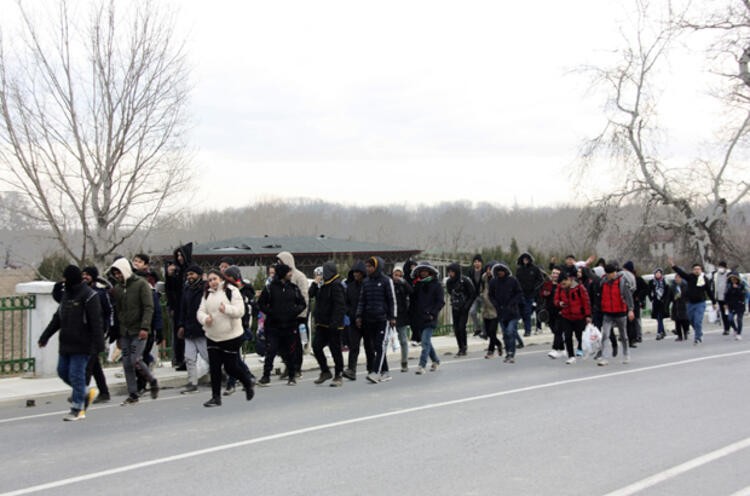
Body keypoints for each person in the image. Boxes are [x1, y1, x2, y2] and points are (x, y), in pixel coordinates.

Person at [38, 265, 105, 421]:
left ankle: (76, 408)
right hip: (66, 343)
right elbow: (57, 318)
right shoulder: (67, 295)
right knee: (62, 372)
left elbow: (96, 323)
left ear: (71, 279)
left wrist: (99, 345)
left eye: (65, 278)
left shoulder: (89, 296)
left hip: (83, 344)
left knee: (76, 375)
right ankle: (85, 393)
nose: (63, 281)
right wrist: (45, 336)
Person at [197, 269, 255, 407]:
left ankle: (247, 383)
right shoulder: (207, 294)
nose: (212, 282)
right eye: (210, 280)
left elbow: (240, 311)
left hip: (231, 336)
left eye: (214, 279)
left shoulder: (231, 291)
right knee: (215, 367)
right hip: (212, 335)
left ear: (221, 278)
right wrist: (205, 319)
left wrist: (227, 309)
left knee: (230, 367)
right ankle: (215, 397)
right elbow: (200, 311)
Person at [109, 258, 159, 405]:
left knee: (135, 359)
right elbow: (117, 312)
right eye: (115, 273)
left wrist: (145, 327)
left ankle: (152, 380)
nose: (118, 276)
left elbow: (148, 307)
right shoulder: (117, 289)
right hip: (125, 332)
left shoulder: (141, 284)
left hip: (139, 331)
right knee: (126, 363)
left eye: (119, 272)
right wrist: (117, 334)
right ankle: (133, 393)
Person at [257, 264, 307, 386]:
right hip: (273, 326)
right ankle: (266, 376)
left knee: (289, 352)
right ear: (283, 273)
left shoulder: (293, 288)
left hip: (290, 326)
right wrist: (271, 313)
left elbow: (302, 303)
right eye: (288, 272)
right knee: (271, 350)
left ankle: (291, 376)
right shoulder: (270, 288)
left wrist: (294, 312)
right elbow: (261, 303)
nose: (290, 274)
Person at [356, 256, 397, 383]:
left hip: (383, 319)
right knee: (376, 347)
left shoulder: (386, 281)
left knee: (380, 345)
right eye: (367, 266)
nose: (368, 269)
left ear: (377, 267)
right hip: (370, 319)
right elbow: (362, 300)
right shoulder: (366, 282)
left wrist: (392, 317)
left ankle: (375, 372)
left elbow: (392, 300)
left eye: (370, 266)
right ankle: (385, 372)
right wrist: (359, 316)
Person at [309, 262, 347, 386]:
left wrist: (335, 323)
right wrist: (315, 282)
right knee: (316, 347)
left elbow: (340, 306)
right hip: (322, 324)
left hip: (333, 325)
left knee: (335, 349)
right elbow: (311, 294)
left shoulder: (336, 285)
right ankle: (325, 371)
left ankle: (338, 374)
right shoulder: (323, 285)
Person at [222, 265, 257, 395]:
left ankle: (232, 384)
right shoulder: (227, 290)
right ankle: (248, 377)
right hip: (229, 327)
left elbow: (248, 310)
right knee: (233, 357)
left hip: (240, 328)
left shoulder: (245, 291)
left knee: (232, 357)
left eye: (229, 277)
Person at [81, 266, 113, 403]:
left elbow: (108, 312)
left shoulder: (100, 293)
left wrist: (105, 329)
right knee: (95, 366)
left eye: (87, 275)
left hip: (97, 333)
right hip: (84, 333)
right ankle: (104, 392)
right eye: (83, 274)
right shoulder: (80, 292)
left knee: (88, 364)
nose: (84, 277)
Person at [276, 251, 310, 379]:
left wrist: (300, 313)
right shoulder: (280, 278)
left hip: (298, 316)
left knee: (296, 344)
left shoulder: (299, 277)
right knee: (283, 344)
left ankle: (297, 368)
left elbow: (304, 296)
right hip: (284, 317)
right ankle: (288, 365)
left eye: (281, 261)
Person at [175, 265, 208, 394]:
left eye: (192, 274)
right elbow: (183, 309)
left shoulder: (205, 289)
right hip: (189, 330)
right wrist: (181, 325)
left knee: (207, 357)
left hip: (202, 330)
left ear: (199, 275)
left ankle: (221, 375)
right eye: (188, 275)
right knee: (189, 357)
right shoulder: (187, 289)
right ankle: (192, 383)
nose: (190, 277)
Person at [669, 258, 715, 345]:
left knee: (697, 321)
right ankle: (699, 332)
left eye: (698, 269)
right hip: (690, 303)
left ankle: (698, 338)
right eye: (695, 269)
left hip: (700, 303)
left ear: (701, 270)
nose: (697, 271)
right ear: (693, 270)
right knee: (690, 320)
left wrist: (714, 302)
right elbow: (681, 273)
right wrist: (673, 266)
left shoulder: (704, 279)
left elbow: (709, 291)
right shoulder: (690, 277)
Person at [410, 262, 444, 374]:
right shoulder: (418, 285)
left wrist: (432, 313)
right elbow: (413, 301)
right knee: (427, 342)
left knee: (425, 342)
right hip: (420, 318)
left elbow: (440, 302)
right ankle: (436, 361)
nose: (423, 273)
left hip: (430, 318)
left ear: (430, 272)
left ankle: (422, 365)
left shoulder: (437, 285)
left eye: (425, 271)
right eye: (421, 271)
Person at [597, 263, 635, 366]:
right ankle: (604, 358)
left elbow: (628, 296)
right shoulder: (603, 283)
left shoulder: (622, 282)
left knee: (623, 335)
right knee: (605, 334)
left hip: (620, 313)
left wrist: (631, 310)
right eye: (611, 273)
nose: (614, 274)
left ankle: (626, 354)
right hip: (607, 313)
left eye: (614, 272)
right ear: (607, 274)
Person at [554, 267, 591, 364]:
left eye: (564, 283)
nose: (563, 286)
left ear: (569, 279)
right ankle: (571, 356)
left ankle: (583, 349)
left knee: (580, 337)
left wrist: (588, 315)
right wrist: (559, 303)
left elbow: (586, 302)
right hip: (566, 316)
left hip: (579, 317)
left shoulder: (579, 288)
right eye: (561, 284)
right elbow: (556, 300)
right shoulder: (560, 288)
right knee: (567, 337)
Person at [164, 243, 192, 370]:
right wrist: (169, 276)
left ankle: (188, 360)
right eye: (178, 255)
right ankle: (179, 358)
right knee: (178, 333)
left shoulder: (191, 269)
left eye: (182, 255)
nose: (180, 258)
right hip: (178, 306)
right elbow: (170, 289)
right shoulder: (177, 271)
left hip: (189, 306)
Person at [489, 263, 523, 364]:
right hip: (501, 312)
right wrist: (496, 305)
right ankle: (508, 352)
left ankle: (512, 353)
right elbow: (491, 295)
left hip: (513, 312)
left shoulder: (512, 280)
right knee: (505, 335)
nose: (500, 273)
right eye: (498, 272)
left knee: (510, 332)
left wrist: (512, 303)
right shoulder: (493, 282)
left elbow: (519, 293)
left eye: (502, 271)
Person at [343, 261, 367, 380]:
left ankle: (372, 369)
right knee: (353, 347)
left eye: (358, 272)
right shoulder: (350, 287)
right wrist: (350, 312)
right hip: (353, 321)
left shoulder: (367, 285)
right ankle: (351, 369)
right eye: (354, 272)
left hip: (367, 321)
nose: (355, 274)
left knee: (370, 346)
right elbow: (346, 303)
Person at [446, 262, 475, 356]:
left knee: (462, 327)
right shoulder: (449, 282)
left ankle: (464, 346)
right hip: (455, 307)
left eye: (452, 272)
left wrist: (467, 306)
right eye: (449, 272)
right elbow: (450, 292)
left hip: (464, 308)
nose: (450, 274)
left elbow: (472, 294)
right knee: (456, 329)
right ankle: (460, 347)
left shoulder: (465, 280)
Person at [516, 252, 544, 338]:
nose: (525, 260)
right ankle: (520, 329)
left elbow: (541, 280)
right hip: (521, 294)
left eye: (527, 259)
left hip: (531, 295)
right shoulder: (519, 270)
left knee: (527, 312)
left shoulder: (535, 269)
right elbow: (516, 281)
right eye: (524, 259)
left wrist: (535, 288)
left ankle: (527, 330)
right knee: (521, 313)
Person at [391, 264, 413, 372]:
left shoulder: (403, 285)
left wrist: (404, 283)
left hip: (401, 316)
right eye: (396, 275)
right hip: (390, 316)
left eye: (400, 276)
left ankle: (404, 362)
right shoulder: (389, 284)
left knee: (403, 340)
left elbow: (411, 292)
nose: (397, 277)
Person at [622, 261, 648, 347]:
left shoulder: (637, 279)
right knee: (627, 321)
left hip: (634, 302)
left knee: (635, 320)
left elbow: (646, 288)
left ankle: (636, 336)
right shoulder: (623, 278)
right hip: (625, 302)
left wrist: (639, 296)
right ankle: (628, 337)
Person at [542, 266, 566, 359]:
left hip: (560, 311)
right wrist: (544, 294)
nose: (555, 275)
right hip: (550, 311)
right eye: (553, 273)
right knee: (555, 330)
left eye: (557, 273)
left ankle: (554, 349)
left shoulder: (563, 284)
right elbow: (542, 295)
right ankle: (563, 349)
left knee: (558, 330)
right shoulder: (547, 284)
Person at [480, 262, 502, 358]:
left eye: (490, 269)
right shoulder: (484, 279)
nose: (488, 271)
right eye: (487, 269)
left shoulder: (497, 281)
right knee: (489, 332)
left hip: (494, 309)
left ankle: (491, 351)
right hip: (485, 309)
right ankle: (499, 344)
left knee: (492, 331)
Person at [648, 268, 672, 341]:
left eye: (659, 273)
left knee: (660, 317)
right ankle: (662, 331)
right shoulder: (652, 282)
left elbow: (668, 291)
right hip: (655, 301)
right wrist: (651, 298)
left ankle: (659, 332)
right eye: (656, 273)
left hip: (663, 302)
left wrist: (665, 300)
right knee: (658, 318)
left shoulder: (665, 281)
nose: (658, 274)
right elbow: (649, 291)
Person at [725, 272, 747, 340]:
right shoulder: (729, 286)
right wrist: (726, 304)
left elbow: (743, 295)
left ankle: (739, 334)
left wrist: (737, 288)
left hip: (740, 304)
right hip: (731, 305)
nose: (733, 280)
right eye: (732, 278)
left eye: (734, 278)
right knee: (730, 318)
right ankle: (735, 329)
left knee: (739, 319)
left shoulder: (741, 285)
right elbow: (726, 296)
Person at [668, 273, 690, 341]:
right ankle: (679, 336)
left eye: (678, 278)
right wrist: (667, 304)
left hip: (683, 305)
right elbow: (669, 296)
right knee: (677, 322)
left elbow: (688, 295)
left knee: (684, 320)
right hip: (676, 305)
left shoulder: (685, 285)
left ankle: (686, 332)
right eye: (676, 278)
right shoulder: (672, 286)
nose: (677, 279)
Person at [467, 255, 484, 338]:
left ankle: (485, 330)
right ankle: (478, 328)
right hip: (474, 296)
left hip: (483, 295)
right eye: (475, 262)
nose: (476, 263)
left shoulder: (484, 271)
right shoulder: (471, 272)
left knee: (485, 313)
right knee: (472, 312)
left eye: (478, 261)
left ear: (481, 263)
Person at [712, 261, 732, 335]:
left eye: (722, 267)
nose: (720, 268)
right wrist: (715, 297)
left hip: (728, 297)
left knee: (728, 313)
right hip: (720, 297)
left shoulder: (729, 274)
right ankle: (726, 328)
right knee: (723, 314)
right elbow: (715, 286)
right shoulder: (716, 275)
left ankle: (729, 326)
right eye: (720, 267)